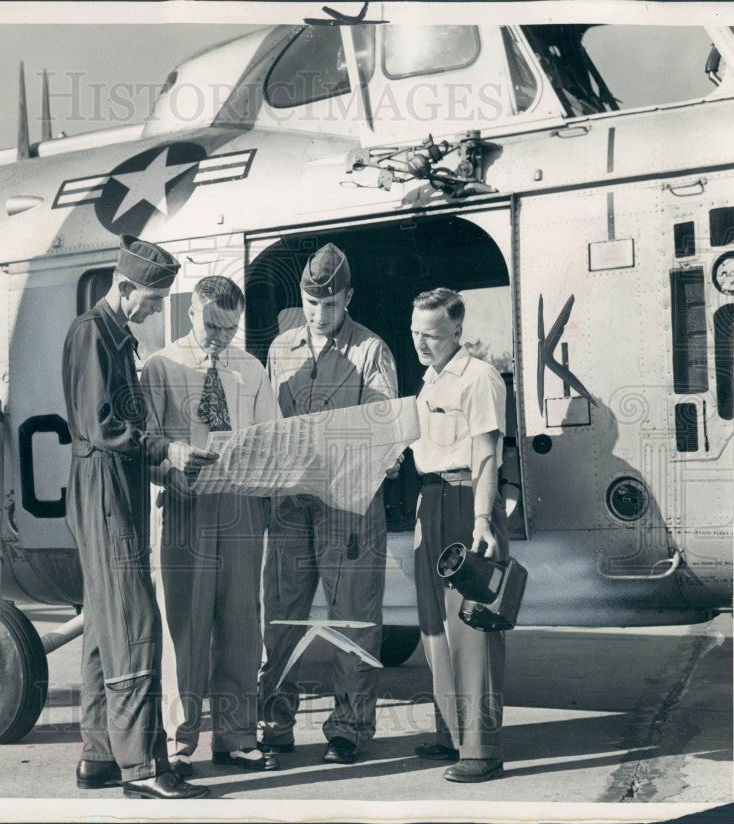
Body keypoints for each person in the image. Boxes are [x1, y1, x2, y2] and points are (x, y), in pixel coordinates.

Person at [62, 234, 217, 800]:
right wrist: (166, 450)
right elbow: (103, 426)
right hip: (103, 489)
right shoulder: (92, 334)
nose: (156, 310)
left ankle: (100, 755)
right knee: (135, 626)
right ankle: (143, 770)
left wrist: (162, 467)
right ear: (123, 287)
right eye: (151, 300)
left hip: (114, 485)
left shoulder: (114, 335)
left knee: (108, 627)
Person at [256, 243, 399, 765]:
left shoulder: (371, 351)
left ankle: (349, 729)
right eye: (312, 304)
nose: (321, 315)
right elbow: (269, 425)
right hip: (292, 503)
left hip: (349, 505)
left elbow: (383, 429)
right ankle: (273, 723)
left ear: (349, 298)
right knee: (280, 616)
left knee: (354, 618)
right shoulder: (280, 349)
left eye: (332, 305)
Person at [141, 276, 280, 775]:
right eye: (212, 325)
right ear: (191, 312)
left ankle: (237, 736)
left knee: (243, 623)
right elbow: (145, 445)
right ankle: (180, 744)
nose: (221, 337)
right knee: (185, 627)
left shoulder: (249, 368)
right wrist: (169, 470)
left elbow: (272, 436)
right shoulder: (162, 366)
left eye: (231, 328)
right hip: (185, 507)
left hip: (240, 505)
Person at [408, 287, 509, 783]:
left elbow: (487, 452)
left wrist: (483, 521)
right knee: (433, 627)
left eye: (429, 334)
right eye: (414, 332)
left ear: (456, 331)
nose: (419, 342)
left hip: (467, 503)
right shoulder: (428, 383)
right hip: (431, 501)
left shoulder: (480, 378)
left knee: (473, 629)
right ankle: (451, 731)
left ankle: (482, 749)